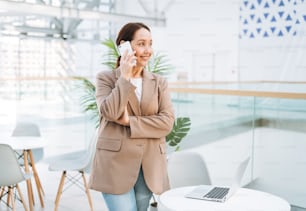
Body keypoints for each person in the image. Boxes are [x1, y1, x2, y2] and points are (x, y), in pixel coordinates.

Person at [88, 22, 175, 211]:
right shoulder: (106, 78)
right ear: (124, 46)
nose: (148, 50)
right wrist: (125, 78)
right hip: (115, 165)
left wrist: (129, 121)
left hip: (149, 165)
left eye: (150, 44)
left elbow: (167, 122)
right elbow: (110, 112)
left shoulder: (159, 82)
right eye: (141, 44)